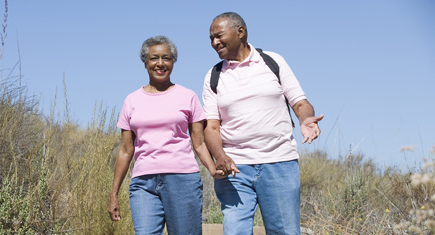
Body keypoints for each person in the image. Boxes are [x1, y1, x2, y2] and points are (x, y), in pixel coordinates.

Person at [202, 12, 324, 235]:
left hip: (279, 164)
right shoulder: (214, 75)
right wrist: (220, 156)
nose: (214, 42)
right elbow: (211, 127)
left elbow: (300, 103)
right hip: (235, 169)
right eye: (210, 38)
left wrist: (306, 119)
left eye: (218, 36)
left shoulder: (273, 61)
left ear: (240, 32)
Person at [108, 35, 220, 235]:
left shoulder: (188, 97)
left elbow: (199, 143)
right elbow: (125, 150)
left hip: (182, 180)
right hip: (143, 184)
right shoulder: (131, 100)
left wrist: (213, 169)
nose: (160, 63)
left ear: (173, 62)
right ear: (145, 63)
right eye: (154, 58)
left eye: (166, 58)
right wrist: (114, 194)